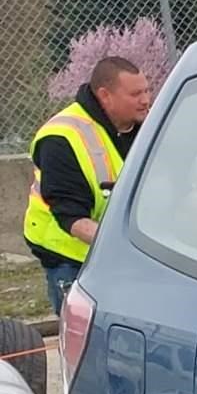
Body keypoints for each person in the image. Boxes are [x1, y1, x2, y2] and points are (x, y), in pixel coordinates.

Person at [26, 55, 153, 316]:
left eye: (147, 90)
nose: (146, 100)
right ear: (105, 96)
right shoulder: (61, 138)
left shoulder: (147, 126)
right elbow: (71, 218)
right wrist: (130, 246)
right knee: (87, 338)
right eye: (136, 94)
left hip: (123, 247)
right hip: (70, 256)